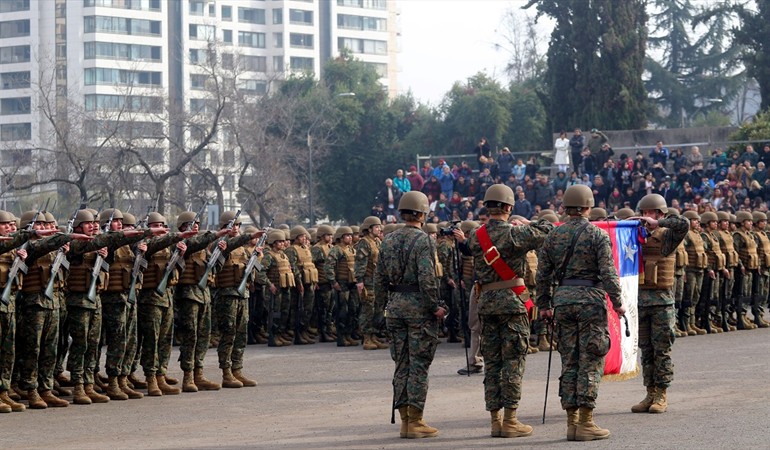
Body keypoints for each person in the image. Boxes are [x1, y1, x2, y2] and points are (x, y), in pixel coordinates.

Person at [454, 184, 553, 438]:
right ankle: (511, 420)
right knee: (513, 363)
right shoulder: (515, 234)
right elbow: (548, 231)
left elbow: (468, 247)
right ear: (509, 207)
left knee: (493, 364)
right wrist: (528, 222)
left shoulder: (476, 236)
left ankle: (495, 421)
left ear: (487, 206)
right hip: (512, 305)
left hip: (486, 304)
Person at [536, 185, 624, 441]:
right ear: (588, 206)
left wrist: (544, 305)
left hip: (562, 302)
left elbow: (543, 275)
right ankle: (585, 421)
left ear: (565, 207)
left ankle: (571, 421)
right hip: (590, 302)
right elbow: (608, 272)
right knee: (590, 359)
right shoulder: (597, 235)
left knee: (570, 360)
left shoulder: (554, 235)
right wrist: (617, 301)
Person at [375, 191, 446, 439]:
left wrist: (382, 307)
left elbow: (380, 279)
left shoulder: (388, 240)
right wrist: (434, 306)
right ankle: (415, 420)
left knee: (401, 363)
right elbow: (427, 279)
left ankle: (405, 419)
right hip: (418, 309)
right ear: (422, 213)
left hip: (395, 308)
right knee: (419, 364)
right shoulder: (423, 240)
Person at [630, 194, 688, 414]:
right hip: (641, 302)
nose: (646, 217)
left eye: (651, 213)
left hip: (662, 303)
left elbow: (684, 224)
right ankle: (650, 392)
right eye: (643, 213)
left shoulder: (667, 237)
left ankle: (662, 394)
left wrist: (659, 223)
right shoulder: (635, 235)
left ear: (660, 214)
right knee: (646, 350)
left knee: (661, 350)